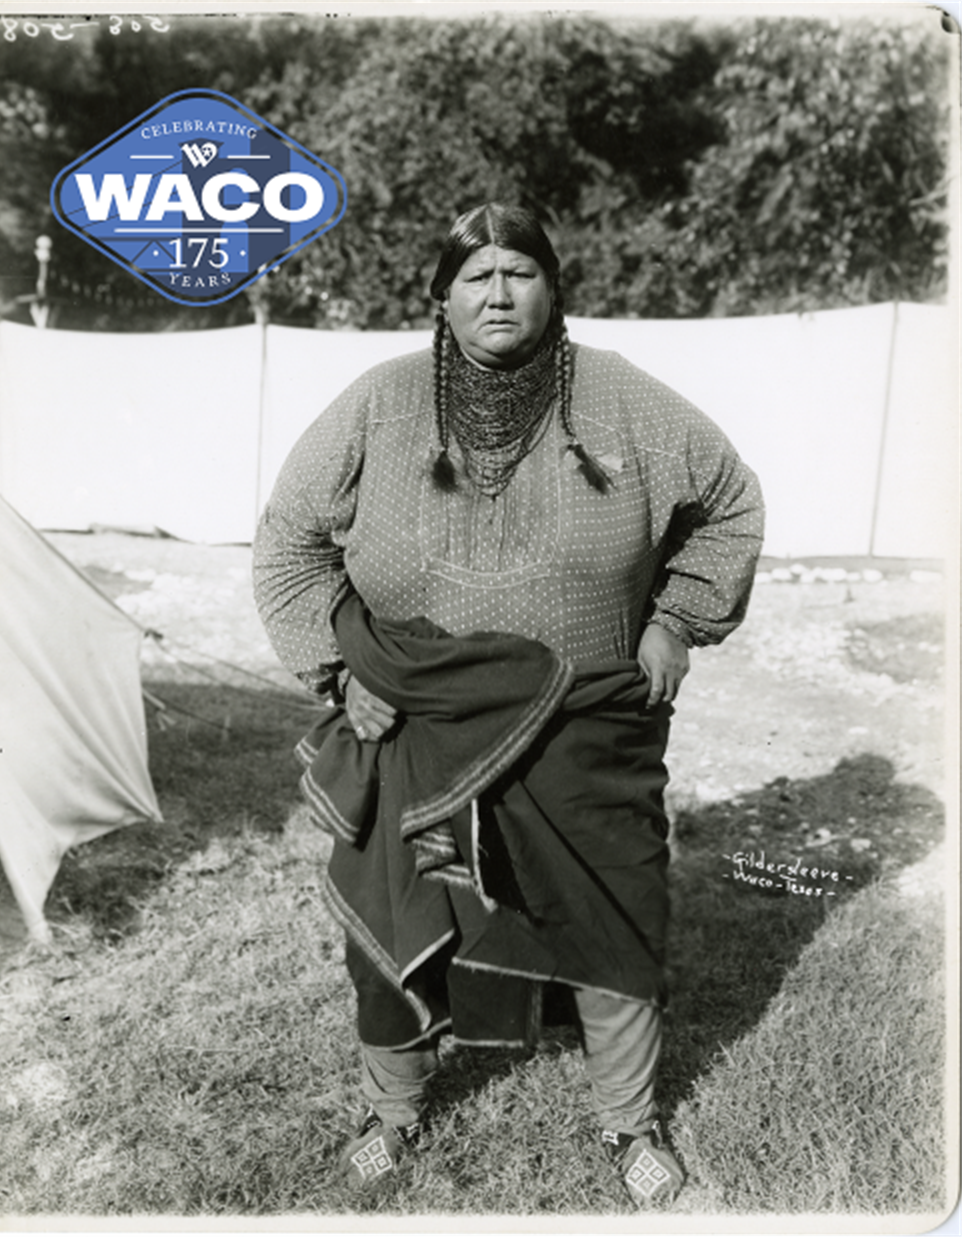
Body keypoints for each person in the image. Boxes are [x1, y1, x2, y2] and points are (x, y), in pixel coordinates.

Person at [253, 202, 764, 1206]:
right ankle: (394, 1110)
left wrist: (675, 622)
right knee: (392, 920)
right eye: (475, 274)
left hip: (586, 719)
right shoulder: (378, 404)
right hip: (418, 721)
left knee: (615, 913)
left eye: (519, 270)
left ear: (553, 286)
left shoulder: (623, 401)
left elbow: (731, 504)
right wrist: (336, 670)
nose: (497, 291)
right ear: (440, 297)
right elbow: (288, 543)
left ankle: (630, 1121)